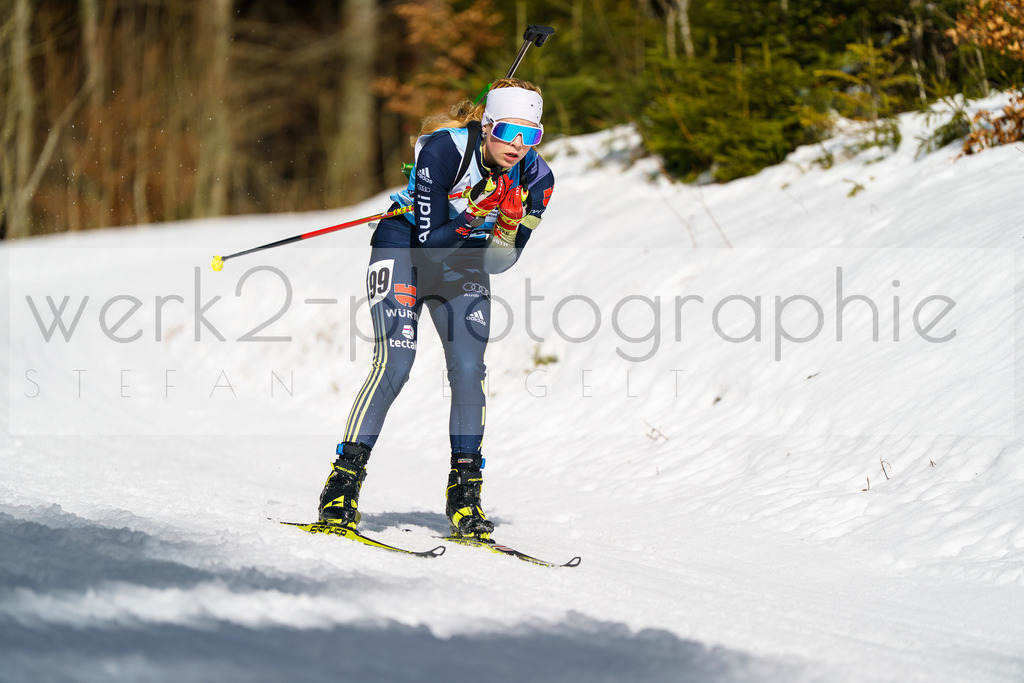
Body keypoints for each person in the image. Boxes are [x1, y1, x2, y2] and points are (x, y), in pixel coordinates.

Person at [317, 78, 555, 539]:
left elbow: (499, 262)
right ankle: (342, 485)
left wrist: (507, 226)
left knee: (469, 369)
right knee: (396, 362)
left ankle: (465, 494)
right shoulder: (444, 151)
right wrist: (471, 214)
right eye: (509, 131)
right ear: (487, 125)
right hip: (404, 247)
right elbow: (430, 245)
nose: (518, 146)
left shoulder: (537, 178)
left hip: (464, 260)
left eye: (532, 135)